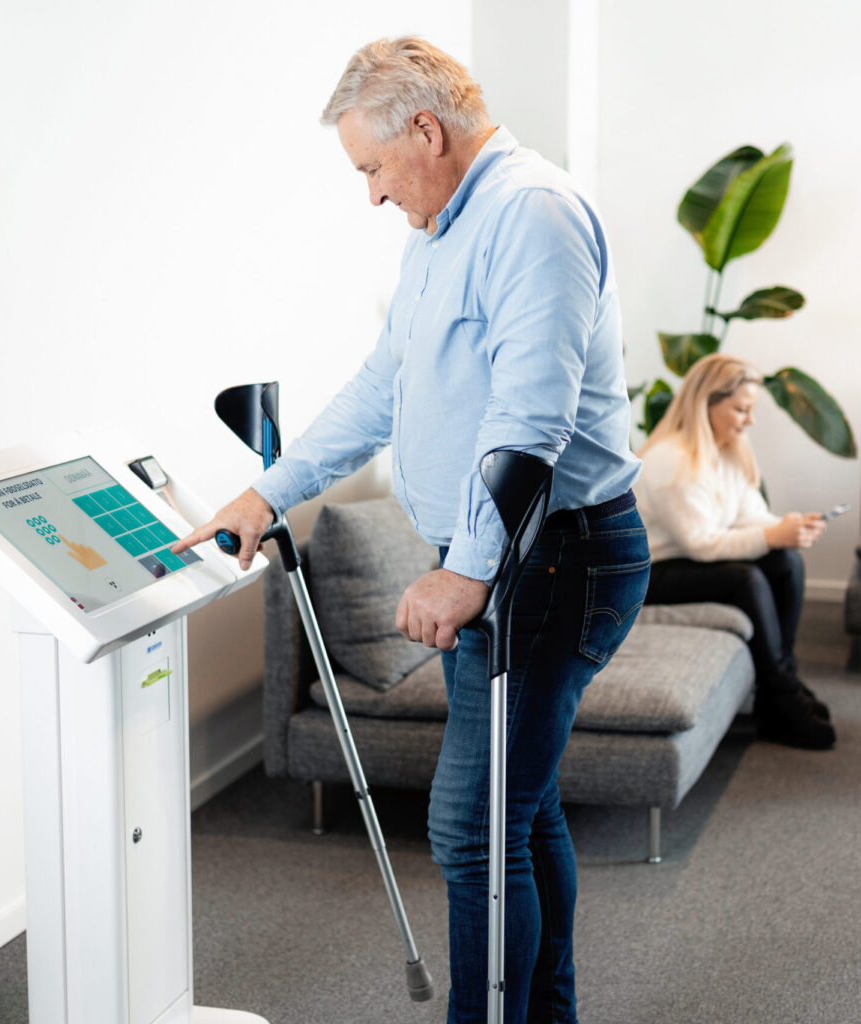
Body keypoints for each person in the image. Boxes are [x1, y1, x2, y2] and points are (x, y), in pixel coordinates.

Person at [174, 37, 648, 1024]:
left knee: (472, 828)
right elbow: (380, 388)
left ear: (425, 130)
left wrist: (467, 570)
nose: (374, 195)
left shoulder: (532, 216)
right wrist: (266, 494)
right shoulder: (440, 231)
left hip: (553, 561)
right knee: (522, 809)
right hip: (517, 558)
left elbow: (530, 418)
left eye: (373, 168)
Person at [634, 353, 835, 749]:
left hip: (689, 559)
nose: (750, 420)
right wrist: (774, 534)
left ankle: (783, 681)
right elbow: (703, 543)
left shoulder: (726, 450)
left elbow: (750, 514)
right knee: (746, 579)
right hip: (651, 573)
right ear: (706, 403)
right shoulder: (669, 461)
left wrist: (787, 527)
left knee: (786, 561)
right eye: (741, 409)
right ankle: (779, 697)